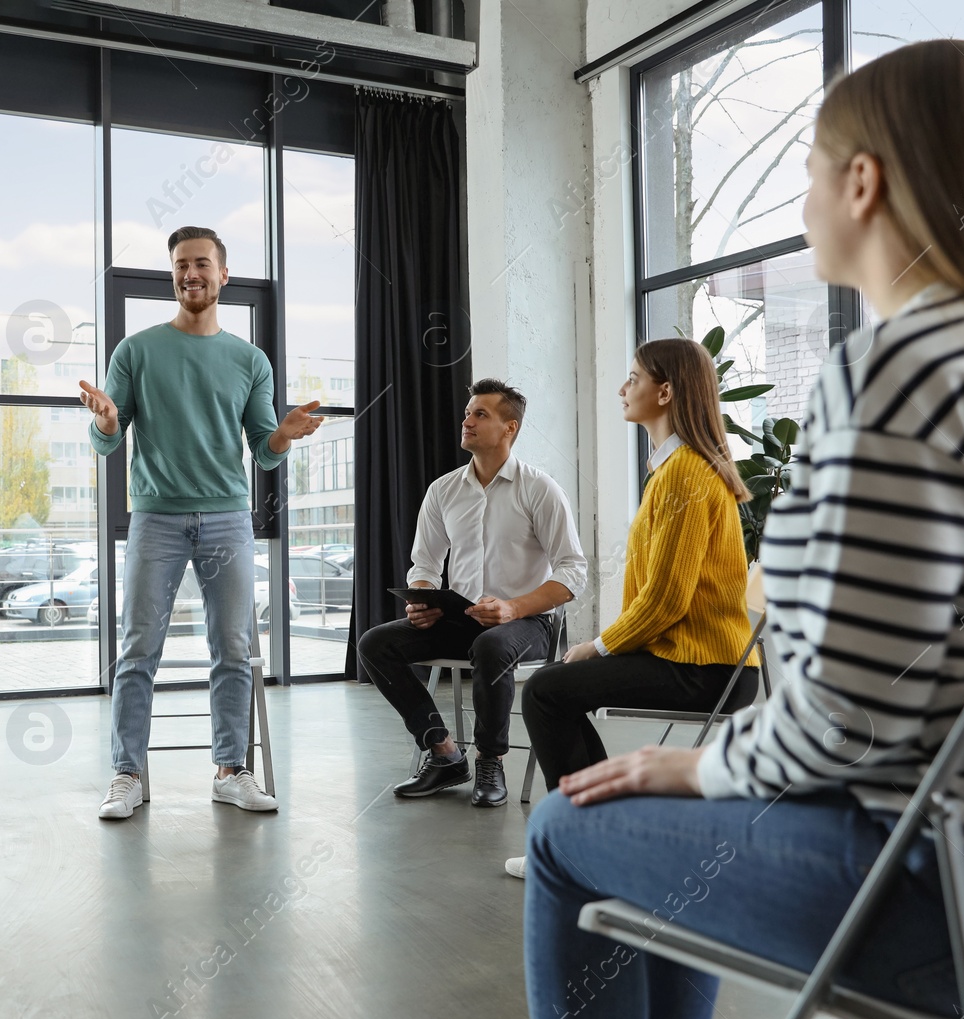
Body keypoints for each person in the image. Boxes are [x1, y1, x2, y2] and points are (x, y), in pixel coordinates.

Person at [523, 39, 964, 1019]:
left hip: (948, 894)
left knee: (558, 830)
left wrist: (707, 760)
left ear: (863, 181)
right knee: (675, 798)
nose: (802, 196)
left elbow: (849, 714)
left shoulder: (900, 372)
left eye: (810, 166)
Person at [80, 225, 324, 819]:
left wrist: (284, 436)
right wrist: (109, 422)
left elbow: (263, 450)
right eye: (181, 265)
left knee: (234, 647)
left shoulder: (249, 359)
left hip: (227, 520)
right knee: (138, 649)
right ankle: (127, 774)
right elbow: (106, 442)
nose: (191, 274)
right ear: (173, 274)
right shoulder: (135, 350)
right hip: (156, 520)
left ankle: (230, 770)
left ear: (223, 275)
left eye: (201, 264)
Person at [504, 338, 760, 877]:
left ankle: (584, 846)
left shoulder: (686, 473)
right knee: (555, 689)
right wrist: (599, 650)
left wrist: (596, 647)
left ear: (665, 392)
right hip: (695, 661)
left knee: (548, 691)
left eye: (634, 378)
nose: (623, 388)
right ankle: (604, 839)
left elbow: (665, 599)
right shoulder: (672, 469)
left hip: (702, 669)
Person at [356, 379, 587, 806]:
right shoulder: (443, 490)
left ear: (509, 427)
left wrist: (513, 607)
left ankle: (490, 759)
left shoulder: (540, 489)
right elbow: (424, 565)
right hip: (460, 617)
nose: (467, 420)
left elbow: (574, 572)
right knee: (375, 643)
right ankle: (443, 753)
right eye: (467, 412)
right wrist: (422, 600)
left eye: (481, 414)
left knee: (492, 645)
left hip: (526, 622)